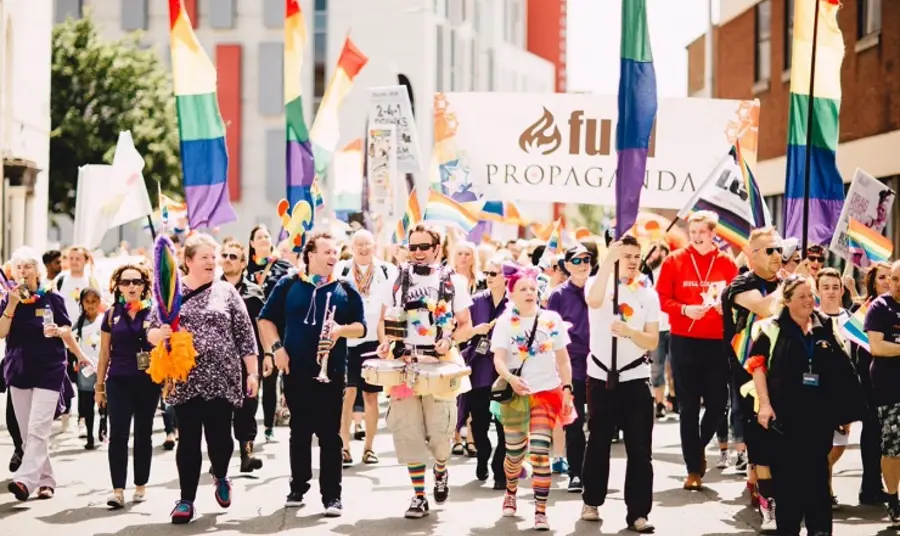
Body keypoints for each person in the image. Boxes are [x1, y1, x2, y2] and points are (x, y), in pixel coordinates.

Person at [147, 234, 260, 524]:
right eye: (205, 257)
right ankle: (186, 500)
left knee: (220, 438)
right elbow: (150, 330)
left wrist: (252, 372)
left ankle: (221, 475)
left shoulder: (226, 292)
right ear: (187, 261)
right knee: (189, 439)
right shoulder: (170, 293)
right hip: (185, 378)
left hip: (223, 377)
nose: (213, 262)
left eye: (215, 256)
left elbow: (245, 335)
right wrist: (161, 334)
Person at [258, 231, 365, 517]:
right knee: (300, 430)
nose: (333, 257)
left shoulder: (345, 288)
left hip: (331, 372)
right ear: (311, 255)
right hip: (296, 371)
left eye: (335, 252)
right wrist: (276, 348)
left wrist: (341, 330)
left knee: (330, 434)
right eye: (327, 252)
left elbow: (361, 327)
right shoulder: (289, 284)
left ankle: (332, 495)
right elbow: (265, 320)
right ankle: (298, 485)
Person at [747, 276, 864, 535]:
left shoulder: (825, 326)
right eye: (801, 296)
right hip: (784, 419)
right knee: (788, 481)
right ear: (787, 301)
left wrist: (843, 412)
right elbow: (756, 365)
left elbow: (841, 370)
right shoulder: (772, 328)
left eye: (810, 295)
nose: (808, 301)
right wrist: (764, 405)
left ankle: (820, 531)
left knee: (817, 480)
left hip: (818, 418)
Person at [375, 224, 473, 519]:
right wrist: (385, 342)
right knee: (409, 433)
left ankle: (441, 469)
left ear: (437, 249)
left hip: (440, 366)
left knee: (441, 435)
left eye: (423, 247)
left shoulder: (454, 281)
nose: (417, 253)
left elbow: (465, 324)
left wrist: (449, 339)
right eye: (412, 247)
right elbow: (384, 321)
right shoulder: (394, 278)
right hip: (404, 365)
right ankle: (419, 496)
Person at [581, 236, 658, 533]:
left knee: (640, 449)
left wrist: (629, 332)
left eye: (636, 256)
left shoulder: (648, 294)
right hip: (602, 377)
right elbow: (593, 300)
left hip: (635, 377)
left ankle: (638, 513)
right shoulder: (599, 283)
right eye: (626, 255)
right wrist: (607, 263)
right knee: (599, 441)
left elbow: (652, 339)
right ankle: (592, 499)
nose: (632, 260)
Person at [656, 211, 738, 490]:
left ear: (713, 233)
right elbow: (662, 298)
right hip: (684, 340)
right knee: (687, 407)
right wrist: (684, 309)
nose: (697, 236)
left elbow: (737, 299)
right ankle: (693, 469)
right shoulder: (674, 260)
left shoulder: (726, 262)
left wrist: (723, 307)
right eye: (693, 231)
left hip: (717, 341)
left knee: (718, 404)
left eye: (702, 231)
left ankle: (699, 445)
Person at [1, 247, 90, 501]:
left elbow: (66, 327)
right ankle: (46, 480)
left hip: (50, 370)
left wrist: (70, 343)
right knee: (28, 432)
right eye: (18, 267)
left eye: (27, 266)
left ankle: (24, 481)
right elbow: (1, 332)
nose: (22, 271)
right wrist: (11, 305)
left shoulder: (52, 297)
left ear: (36, 271)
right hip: (18, 371)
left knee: (39, 428)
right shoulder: (9, 299)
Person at [491, 262, 573, 531]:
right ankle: (511, 491)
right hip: (516, 394)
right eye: (522, 288)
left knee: (539, 452)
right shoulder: (505, 323)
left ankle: (540, 510)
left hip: (546, 392)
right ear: (511, 294)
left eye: (532, 288)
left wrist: (568, 388)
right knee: (514, 454)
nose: (529, 292)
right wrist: (512, 380)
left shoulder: (552, 320)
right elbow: (499, 360)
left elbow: (563, 359)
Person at [722, 227, 783, 528]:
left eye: (779, 249)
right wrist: (795, 287)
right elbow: (765, 307)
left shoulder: (785, 282)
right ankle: (763, 497)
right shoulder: (741, 284)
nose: (778, 256)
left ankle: (764, 486)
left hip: (784, 370)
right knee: (759, 433)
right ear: (752, 255)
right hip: (749, 373)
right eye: (770, 250)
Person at [95, 263, 160, 509]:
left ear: (144, 286)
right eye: (125, 282)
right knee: (118, 435)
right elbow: (104, 353)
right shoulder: (111, 314)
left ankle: (141, 485)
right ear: (118, 286)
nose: (131, 286)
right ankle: (118, 490)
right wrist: (99, 387)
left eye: (136, 282)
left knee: (143, 434)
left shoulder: (154, 313)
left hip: (148, 381)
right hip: (118, 381)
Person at [335, 230, 395, 466]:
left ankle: (369, 448)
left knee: (371, 395)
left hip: (373, 339)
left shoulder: (386, 270)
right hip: (346, 339)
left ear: (374, 245)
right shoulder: (341, 269)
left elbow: (390, 309)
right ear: (352, 246)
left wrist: (387, 339)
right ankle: (344, 446)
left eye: (367, 244)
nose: (362, 249)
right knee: (348, 394)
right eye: (358, 244)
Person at [454, 255, 508, 488]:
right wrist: (477, 330)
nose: (488, 278)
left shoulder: (513, 304)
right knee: (479, 421)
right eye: (486, 273)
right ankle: (483, 454)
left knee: (505, 423)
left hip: (505, 370)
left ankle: (499, 469)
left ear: (506, 278)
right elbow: (460, 332)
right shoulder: (476, 301)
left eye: (493, 274)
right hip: (480, 369)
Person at [546, 244, 593, 493]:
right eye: (577, 260)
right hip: (571, 366)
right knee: (573, 424)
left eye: (587, 259)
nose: (583, 264)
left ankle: (593, 473)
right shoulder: (558, 295)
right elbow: (549, 331)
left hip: (599, 365)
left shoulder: (600, 289)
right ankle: (576, 473)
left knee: (598, 425)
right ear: (566, 265)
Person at [219, 240, 265, 474]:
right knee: (220, 412)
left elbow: (263, 328)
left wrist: (265, 358)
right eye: (224, 255)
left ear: (243, 263)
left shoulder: (254, 294)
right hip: (218, 363)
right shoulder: (211, 290)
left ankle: (247, 454)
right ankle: (221, 460)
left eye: (233, 256)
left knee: (248, 407)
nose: (227, 259)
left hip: (247, 361)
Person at [247, 224, 294, 442]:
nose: (264, 239)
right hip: (250, 328)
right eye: (260, 237)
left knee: (272, 377)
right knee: (253, 376)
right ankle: (247, 424)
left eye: (267, 235)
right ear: (252, 243)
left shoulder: (283, 267)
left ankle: (268, 425)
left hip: (276, 327)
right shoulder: (244, 269)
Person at [864, 260, 900, 529]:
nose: (895, 284)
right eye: (893, 279)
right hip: (890, 388)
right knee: (892, 448)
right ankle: (892, 496)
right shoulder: (880, 306)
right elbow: (877, 347)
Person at [815, 267, 854, 509]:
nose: (830, 292)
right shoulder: (812, 318)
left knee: (839, 444)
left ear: (842, 290)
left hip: (844, 390)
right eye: (825, 287)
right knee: (819, 443)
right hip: (816, 391)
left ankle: (822, 482)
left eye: (834, 287)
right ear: (817, 291)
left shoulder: (850, 319)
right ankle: (824, 490)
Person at [854, 261, 892, 506]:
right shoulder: (864, 310)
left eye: (892, 277)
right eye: (882, 278)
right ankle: (870, 485)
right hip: (869, 381)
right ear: (872, 282)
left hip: (894, 381)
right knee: (872, 433)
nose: (888, 282)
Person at [72, 287, 105, 450]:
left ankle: (103, 427)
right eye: (87, 301)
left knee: (104, 402)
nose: (91, 305)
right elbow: (70, 342)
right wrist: (75, 361)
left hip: (102, 367)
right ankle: (90, 436)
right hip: (85, 370)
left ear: (99, 302)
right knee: (87, 404)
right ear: (82, 303)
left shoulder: (104, 320)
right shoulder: (79, 323)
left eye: (94, 301)